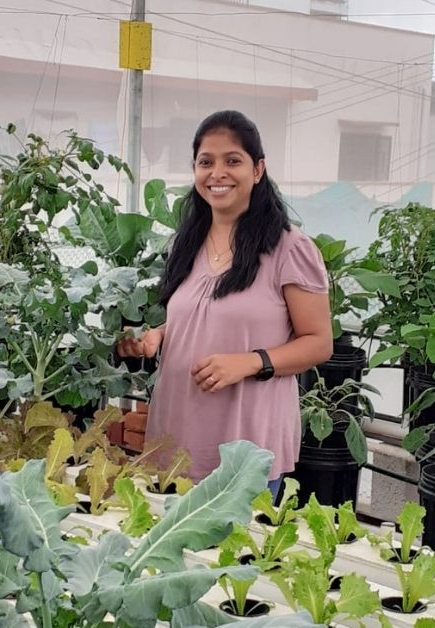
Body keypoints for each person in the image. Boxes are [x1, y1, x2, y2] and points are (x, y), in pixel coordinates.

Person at [117, 110, 332, 499]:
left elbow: (319, 342)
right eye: (206, 162)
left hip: (244, 448)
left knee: (229, 556)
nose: (218, 173)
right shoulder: (186, 242)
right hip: (174, 443)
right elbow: (203, 316)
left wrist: (250, 361)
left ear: (258, 169)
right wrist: (155, 337)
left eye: (233, 160)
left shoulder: (289, 248)